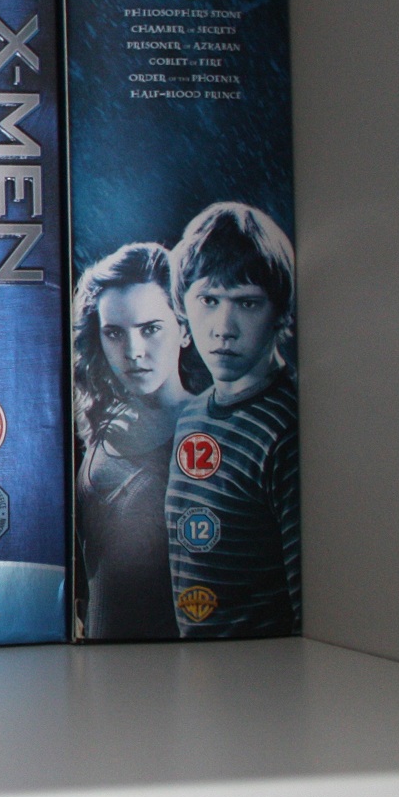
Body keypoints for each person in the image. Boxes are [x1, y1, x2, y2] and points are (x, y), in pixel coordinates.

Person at [165, 202, 300, 638]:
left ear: (279, 313)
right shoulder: (192, 414)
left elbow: (312, 604)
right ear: (183, 307)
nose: (224, 327)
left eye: (247, 303)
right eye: (208, 300)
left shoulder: (289, 430)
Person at [72, 242, 202, 639]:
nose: (133, 352)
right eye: (114, 333)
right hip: (95, 660)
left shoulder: (209, 432)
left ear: (184, 329)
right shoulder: (100, 422)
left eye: (150, 329)